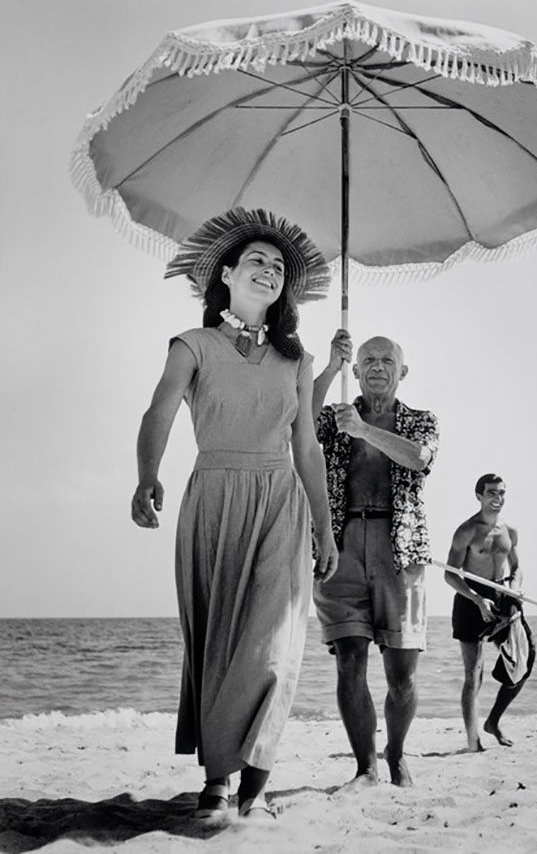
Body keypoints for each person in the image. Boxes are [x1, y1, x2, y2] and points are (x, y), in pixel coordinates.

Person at [131, 208, 338, 822]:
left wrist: (325, 527)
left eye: (278, 267)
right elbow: (159, 412)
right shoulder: (192, 345)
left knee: (274, 646)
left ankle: (257, 776)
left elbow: (306, 448)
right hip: (215, 497)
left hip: (280, 501)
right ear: (226, 274)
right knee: (220, 642)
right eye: (257, 260)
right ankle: (218, 778)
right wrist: (147, 474)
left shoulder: (296, 361)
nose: (269, 270)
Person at [311, 329, 439, 790]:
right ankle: (364, 767)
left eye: (387, 360)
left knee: (402, 672)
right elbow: (297, 423)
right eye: (368, 360)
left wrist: (364, 430)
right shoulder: (336, 417)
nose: (378, 367)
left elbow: (419, 460)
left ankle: (397, 754)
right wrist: (329, 368)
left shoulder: (421, 420)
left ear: (402, 371)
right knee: (349, 659)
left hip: (399, 547)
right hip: (341, 543)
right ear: (357, 370)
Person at [445, 473, 535, 752]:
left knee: (524, 662)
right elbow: (450, 575)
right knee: (474, 673)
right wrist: (476, 599)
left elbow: (517, 567)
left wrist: (515, 587)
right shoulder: (467, 530)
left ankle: (493, 721)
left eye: (502, 493)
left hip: (502, 594)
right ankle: (473, 741)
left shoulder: (510, 530)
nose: (498, 498)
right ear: (479, 496)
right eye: (492, 493)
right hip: (471, 598)